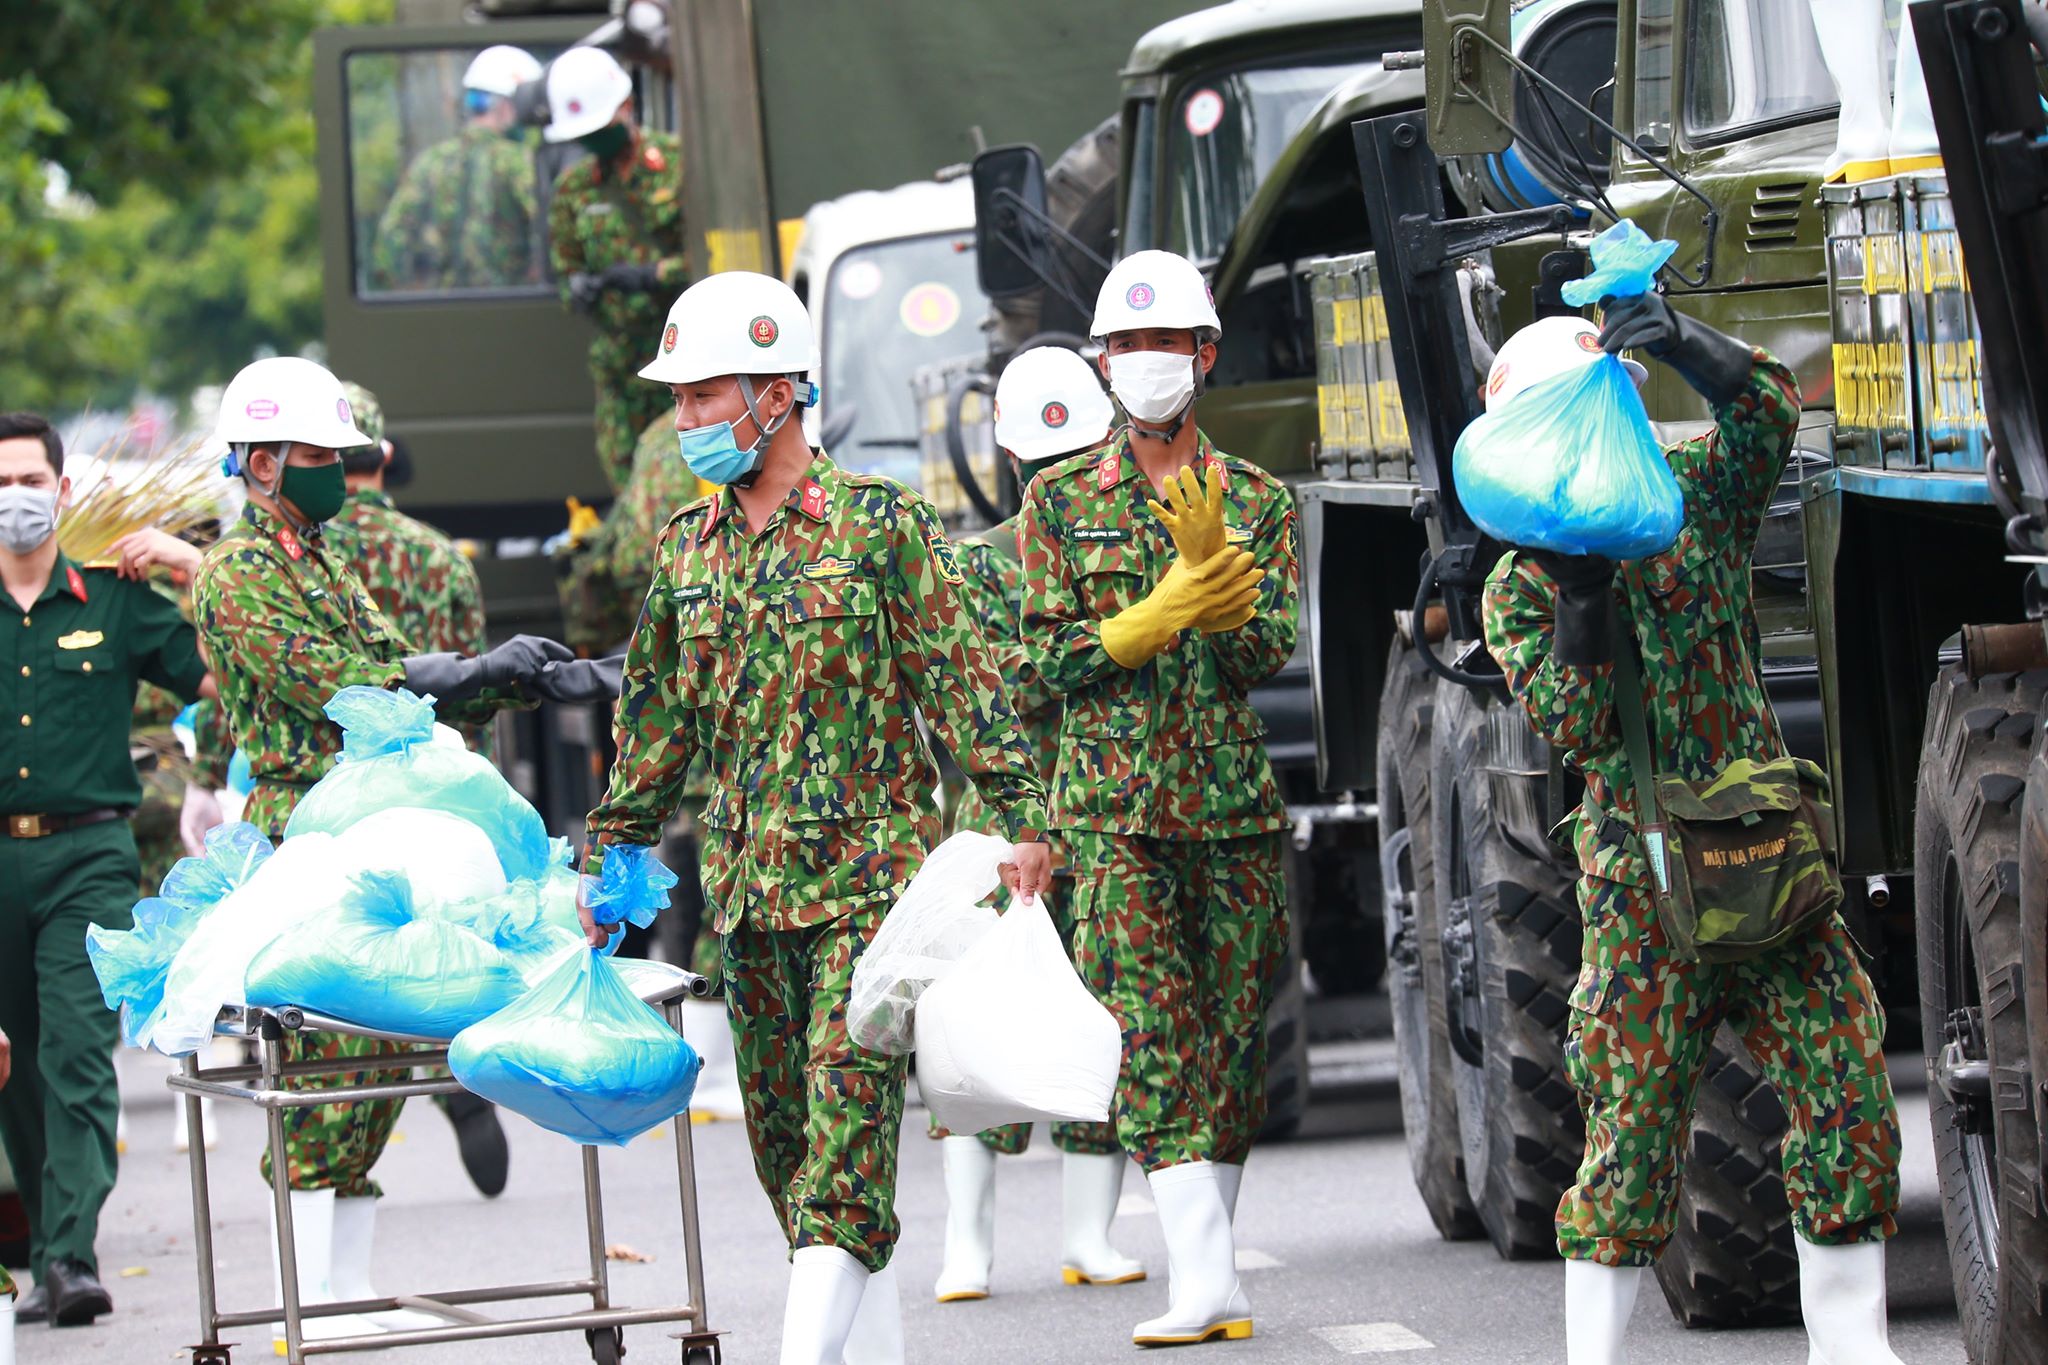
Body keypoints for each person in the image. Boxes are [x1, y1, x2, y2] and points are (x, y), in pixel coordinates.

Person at [576, 271, 1051, 1365]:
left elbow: (959, 680)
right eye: (680, 400)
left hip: (868, 898)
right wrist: (609, 871)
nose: (686, 420)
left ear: (778, 391)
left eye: (704, 396)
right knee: (791, 1166)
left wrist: (1023, 814)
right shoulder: (689, 555)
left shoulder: (878, 527)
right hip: (747, 900)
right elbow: (652, 738)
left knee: (844, 1144)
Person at [1478, 301, 1903, 1365]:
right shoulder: (1518, 587)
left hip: (1763, 861)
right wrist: (1580, 600)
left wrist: (1672, 338)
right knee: (1627, 1133)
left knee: (1846, 1091)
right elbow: (1575, 729)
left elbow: (1764, 410)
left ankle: (1851, 1348)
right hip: (1644, 891)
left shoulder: (1690, 506)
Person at [191, 356, 590, 1346]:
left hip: (377, 818)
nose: (337, 471)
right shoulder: (237, 576)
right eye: (318, 456)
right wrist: (463, 674)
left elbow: (395, 676)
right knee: (324, 1076)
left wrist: (519, 679)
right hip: (306, 834)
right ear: (263, 463)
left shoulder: (324, 558)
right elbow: (340, 683)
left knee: (377, 1072)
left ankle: (342, 1300)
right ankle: (306, 1310)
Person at [1017, 249, 1295, 1348]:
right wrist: (1134, 624)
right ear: (1098, 362)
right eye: (1124, 347)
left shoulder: (1257, 501)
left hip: (1225, 803)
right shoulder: (1057, 499)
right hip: (1110, 813)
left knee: (1230, 1044)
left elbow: (1267, 650)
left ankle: (1210, 1265)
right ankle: (1202, 1279)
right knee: (1150, 1034)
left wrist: (1216, 590)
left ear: (1204, 355)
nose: (1144, 364)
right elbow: (1035, 665)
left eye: (1163, 344)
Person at [928, 346, 1145, 1304]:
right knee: (1052, 1021)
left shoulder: (976, 566)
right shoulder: (1010, 566)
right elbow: (998, 683)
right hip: (1052, 809)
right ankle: (1050, 1239)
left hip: (1044, 812)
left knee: (1022, 1026)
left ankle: (1006, 1244)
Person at [0, 411, 218, 1328]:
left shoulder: (116, 601)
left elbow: (217, 670)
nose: (16, 498)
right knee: (16, 1063)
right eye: (0, 482)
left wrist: (197, 568)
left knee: (76, 1051)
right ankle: (42, 1238)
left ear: (62, 489)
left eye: (29, 480)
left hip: (87, 853)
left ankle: (70, 1254)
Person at [320, 380, 513, 1196]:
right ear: (386, 457)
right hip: (437, 796)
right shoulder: (439, 556)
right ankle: (450, 1062)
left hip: (333, 801)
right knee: (435, 954)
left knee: (337, 986)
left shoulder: (311, 563)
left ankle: (336, 1165)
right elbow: (473, 685)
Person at [544, 46, 688, 495]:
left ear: (626, 108)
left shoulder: (678, 164)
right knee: (631, 493)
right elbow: (565, 268)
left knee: (687, 483)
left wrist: (654, 276)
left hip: (683, 359)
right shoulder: (575, 189)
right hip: (621, 372)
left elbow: (713, 258)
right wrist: (579, 289)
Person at [369, 44, 544, 291]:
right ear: (508, 104)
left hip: (442, 319)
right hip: (510, 317)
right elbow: (553, 233)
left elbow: (389, 245)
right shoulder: (519, 161)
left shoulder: (430, 162)